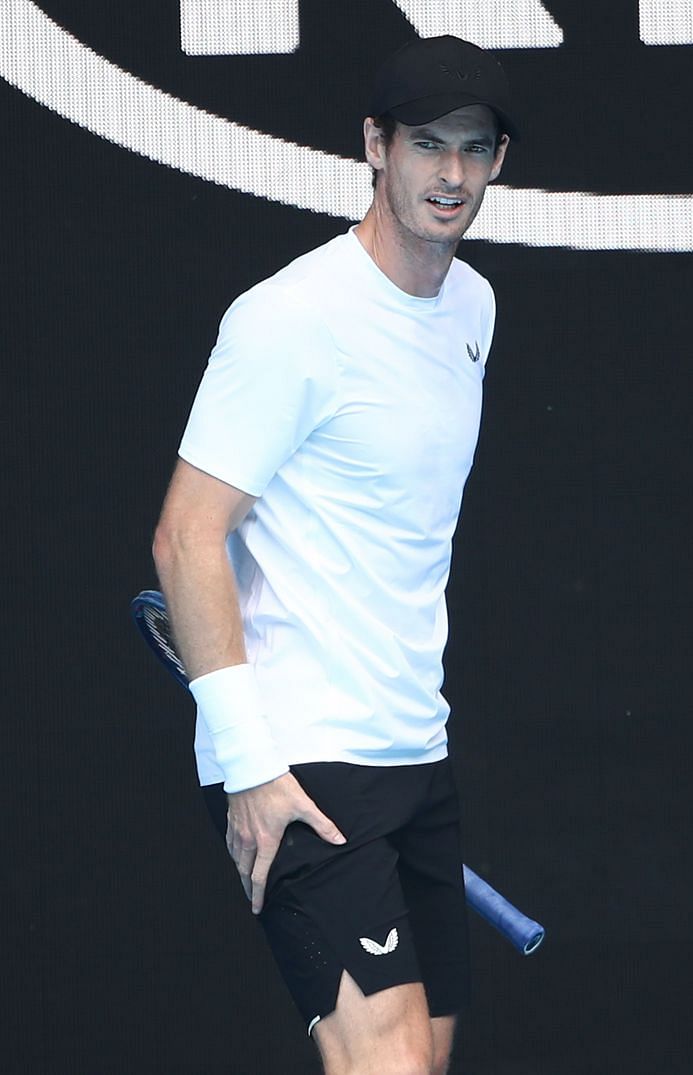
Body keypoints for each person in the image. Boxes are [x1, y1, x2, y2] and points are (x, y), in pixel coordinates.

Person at [152, 34, 516, 1075]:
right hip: (303, 766)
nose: (449, 174)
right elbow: (186, 533)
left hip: (412, 753)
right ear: (374, 146)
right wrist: (252, 765)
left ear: (496, 162)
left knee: (419, 1061)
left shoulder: (472, 311)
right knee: (387, 1065)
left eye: (472, 149)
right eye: (425, 145)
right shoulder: (288, 320)